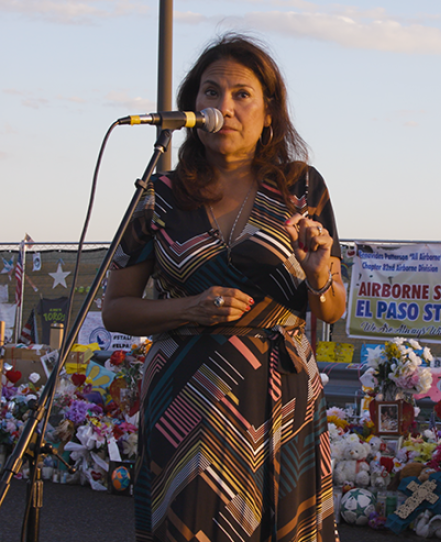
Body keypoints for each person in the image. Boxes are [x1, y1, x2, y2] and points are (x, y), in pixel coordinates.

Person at [102, 33, 345, 542]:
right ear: (192, 105)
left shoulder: (302, 188)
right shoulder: (158, 195)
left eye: (241, 95)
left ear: (269, 111)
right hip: (187, 398)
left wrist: (320, 276)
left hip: (283, 397)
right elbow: (116, 311)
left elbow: (332, 308)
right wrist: (190, 309)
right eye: (211, 92)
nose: (224, 107)